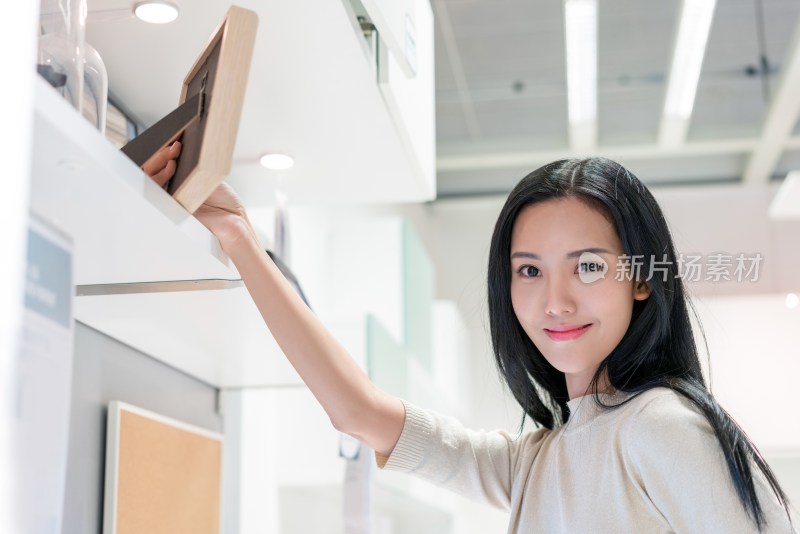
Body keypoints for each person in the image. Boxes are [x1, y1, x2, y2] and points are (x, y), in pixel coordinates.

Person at [147, 147, 795, 532]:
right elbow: (358, 412)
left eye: (588, 266)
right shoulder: (539, 458)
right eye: (529, 271)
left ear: (641, 281)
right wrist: (236, 234)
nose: (555, 300)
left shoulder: (661, 425)